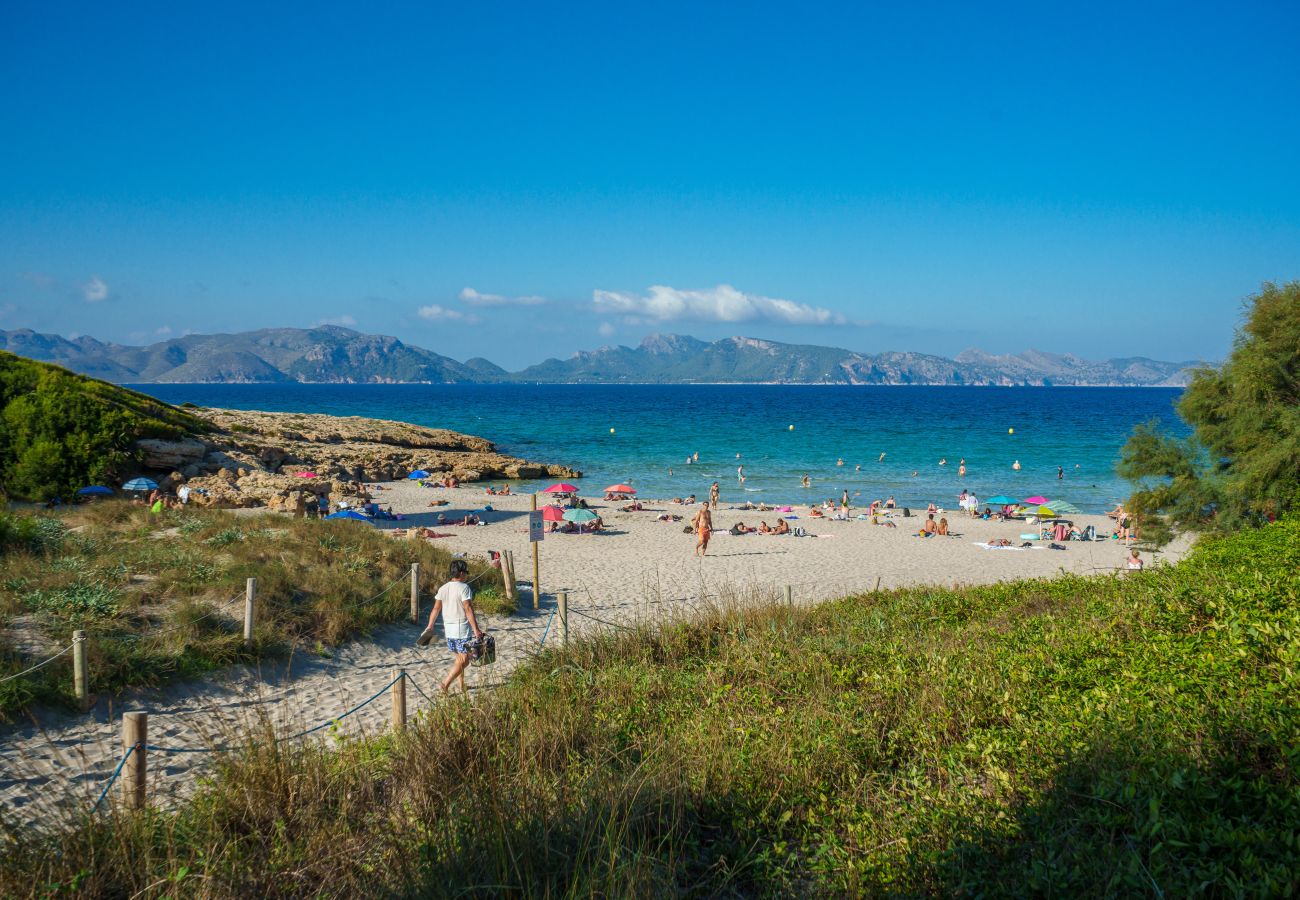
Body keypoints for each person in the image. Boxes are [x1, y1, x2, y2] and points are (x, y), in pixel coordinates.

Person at [420, 560, 485, 695]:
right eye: (465, 573)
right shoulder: (464, 588)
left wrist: (430, 626)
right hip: (461, 629)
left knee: (458, 659)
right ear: (461, 573)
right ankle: (445, 684)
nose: (466, 575)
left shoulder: (443, 588)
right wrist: (476, 629)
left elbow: (436, 608)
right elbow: (468, 609)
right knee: (465, 660)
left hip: (448, 630)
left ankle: (461, 685)